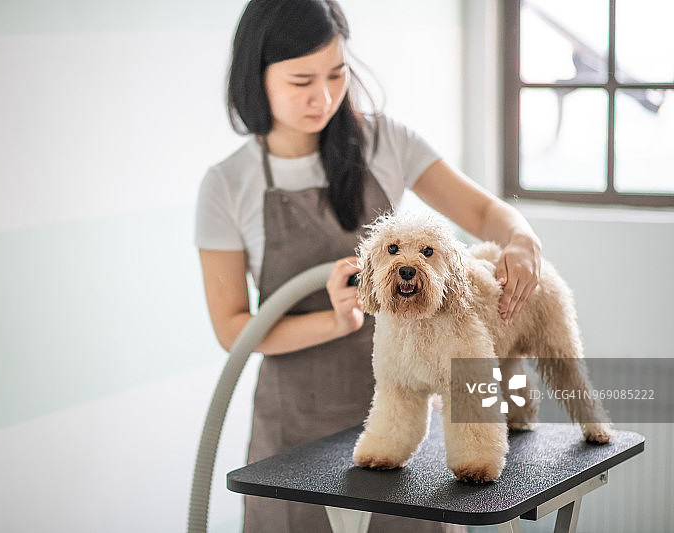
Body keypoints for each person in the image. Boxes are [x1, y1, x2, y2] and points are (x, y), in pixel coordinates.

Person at [195, 1, 541, 531]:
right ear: (254, 76)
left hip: (409, 428)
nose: (325, 96)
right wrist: (334, 321)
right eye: (301, 80)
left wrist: (520, 239)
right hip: (296, 435)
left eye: (337, 73)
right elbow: (233, 329)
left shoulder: (387, 142)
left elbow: (485, 212)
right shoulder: (227, 185)